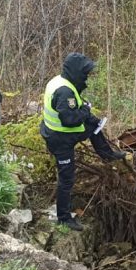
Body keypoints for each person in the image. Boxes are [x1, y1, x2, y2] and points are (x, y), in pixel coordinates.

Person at [40, 52, 126, 232]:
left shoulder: (61, 81)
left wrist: (89, 115)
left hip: (59, 132)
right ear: (76, 72)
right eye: (85, 73)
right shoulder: (65, 92)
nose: (87, 76)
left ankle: (107, 154)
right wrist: (86, 111)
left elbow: (73, 111)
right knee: (67, 178)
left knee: (94, 125)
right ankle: (63, 217)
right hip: (60, 139)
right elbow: (69, 119)